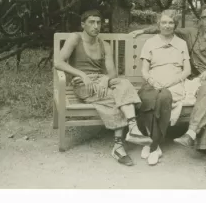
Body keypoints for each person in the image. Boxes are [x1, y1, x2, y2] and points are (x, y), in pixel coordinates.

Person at [130, 3, 206, 174]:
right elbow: (165, 27)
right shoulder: (192, 34)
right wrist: (143, 31)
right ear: (200, 20)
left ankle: (192, 134)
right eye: (204, 17)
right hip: (196, 83)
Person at [55, 9, 152, 166]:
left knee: (124, 83)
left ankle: (133, 128)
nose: (96, 26)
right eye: (91, 22)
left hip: (101, 82)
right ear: (83, 24)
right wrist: (82, 75)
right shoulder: (75, 38)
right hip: (83, 84)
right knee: (118, 97)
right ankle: (119, 146)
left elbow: (112, 72)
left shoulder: (104, 45)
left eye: (99, 22)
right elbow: (58, 62)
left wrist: (106, 79)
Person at [136, 10, 191, 166]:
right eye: (164, 22)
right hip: (154, 81)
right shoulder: (150, 43)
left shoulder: (181, 43)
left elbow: (187, 70)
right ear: (158, 24)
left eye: (171, 23)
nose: (167, 26)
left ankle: (152, 146)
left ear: (175, 25)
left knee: (164, 97)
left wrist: (171, 82)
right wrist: (153, 82)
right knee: (147, 98)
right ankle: (154, 144)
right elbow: (144, 71)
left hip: (174, 82)